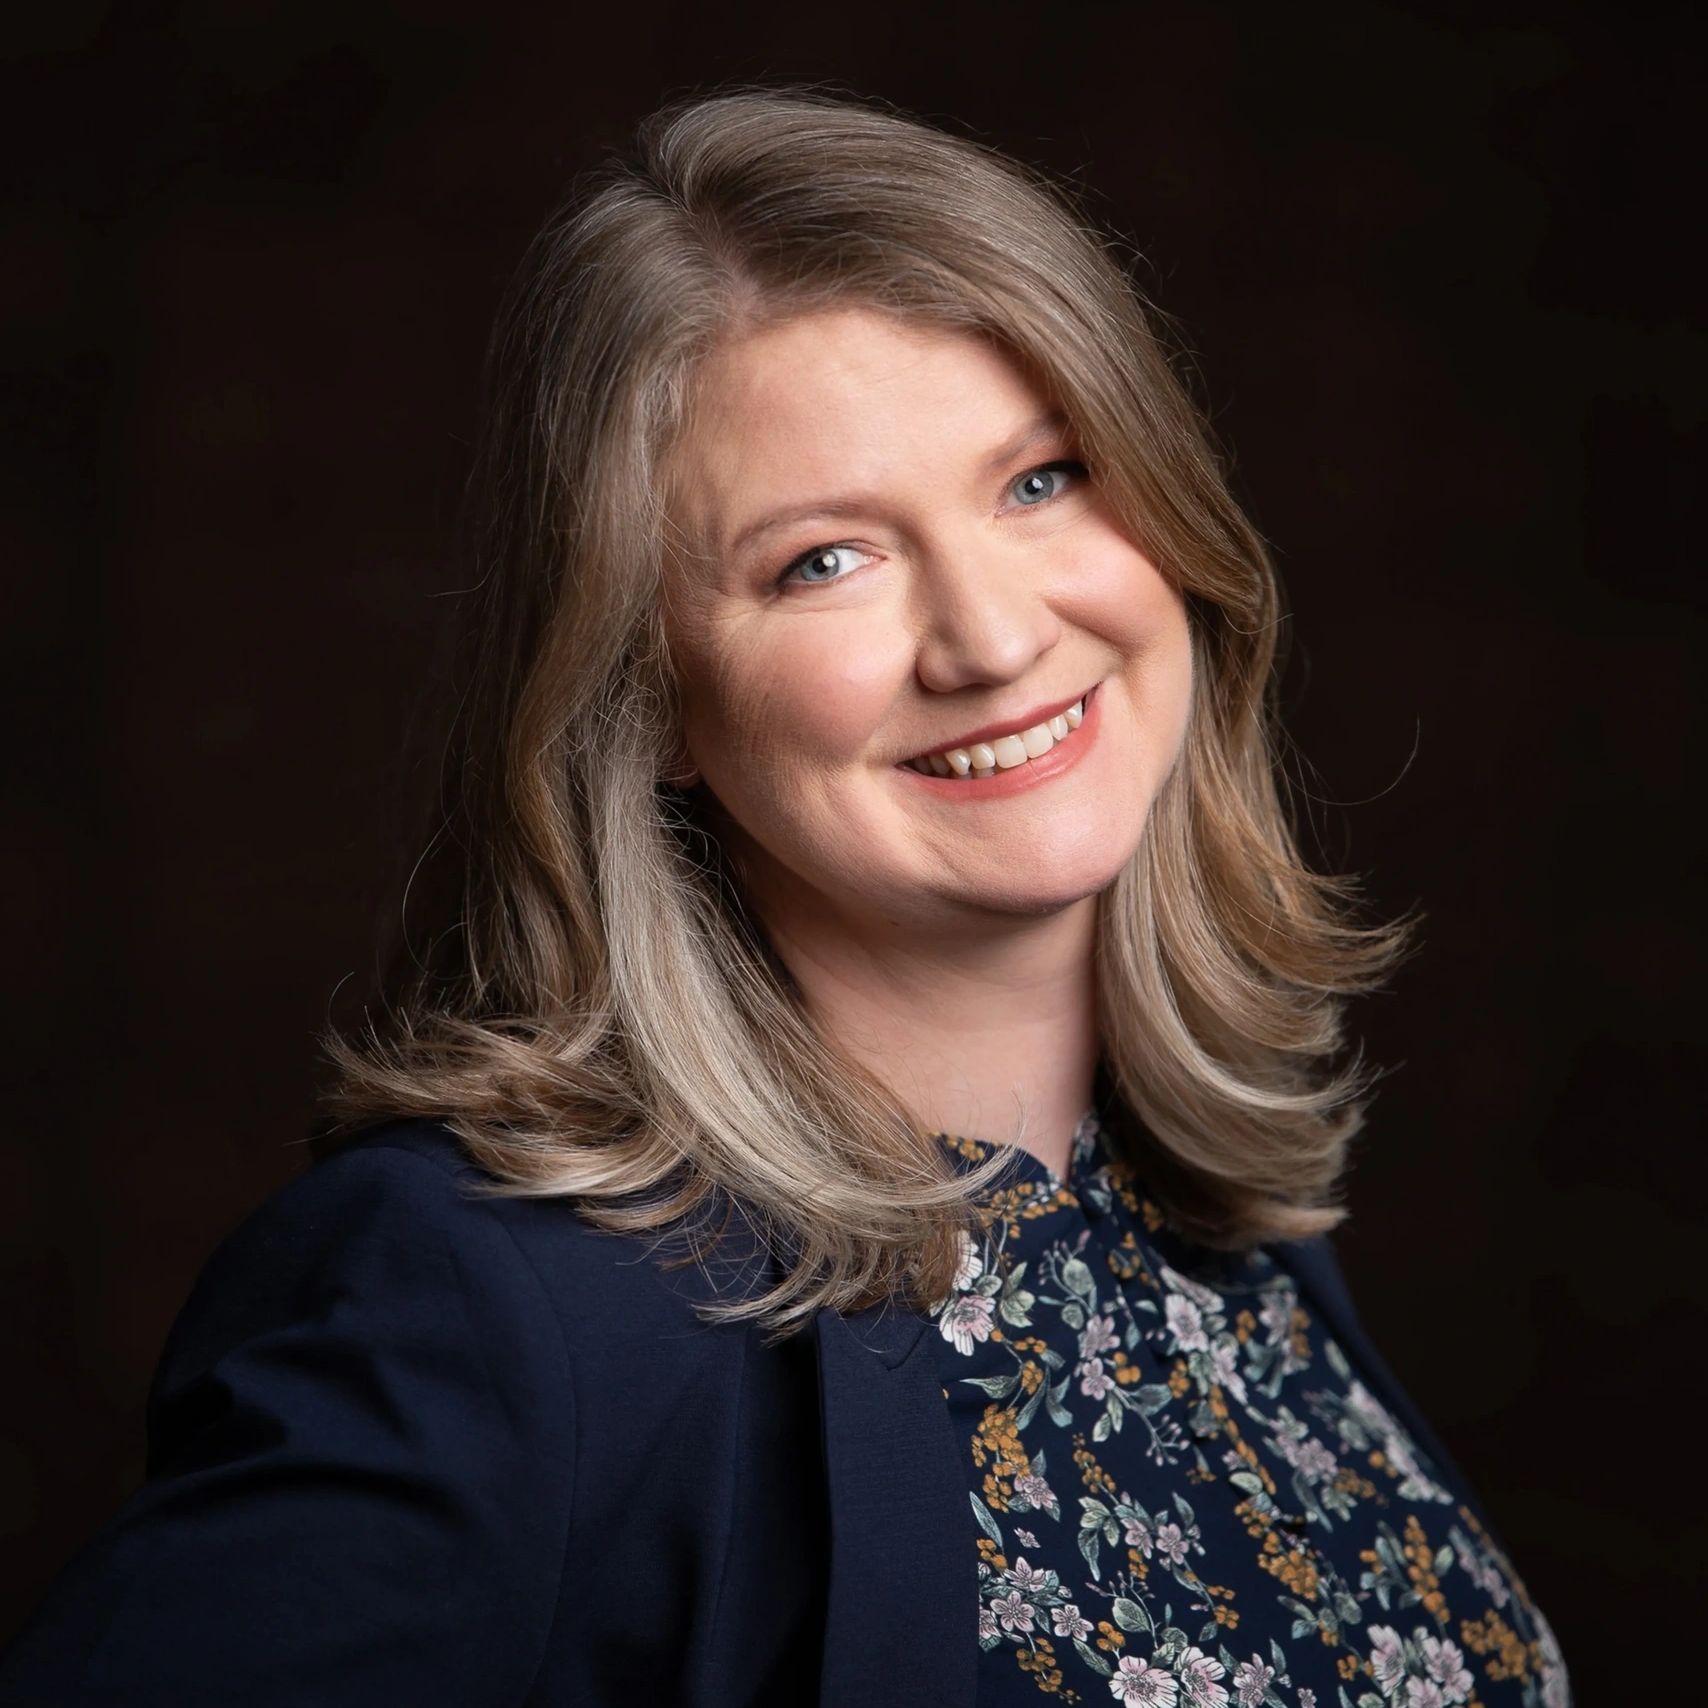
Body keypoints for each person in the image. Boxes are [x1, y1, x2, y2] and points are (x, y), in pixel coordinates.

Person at [0, 85, 1570, 1707]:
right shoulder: (489, 1305)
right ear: (648, 697)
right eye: (824, 559)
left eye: (1041, 481)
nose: (992, 636)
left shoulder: (1210, 1226)